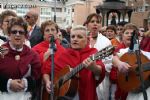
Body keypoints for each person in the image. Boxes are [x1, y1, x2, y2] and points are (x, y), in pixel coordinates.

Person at [42, 25, 105, 100]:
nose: (75, 39)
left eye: (79, 37)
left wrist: (94, 68)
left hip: (85, 94)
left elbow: (100, 71)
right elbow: (46, 70)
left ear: (87, 40)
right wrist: (47, 82)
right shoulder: (64, 54)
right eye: (73, 37)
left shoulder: (93, 53)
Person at [0, 17, 41, 100]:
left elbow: (37, 77)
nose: (17, 34)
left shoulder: (33, 55)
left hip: (26, 96)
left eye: (21, 32)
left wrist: (26, 83)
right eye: (14, 32)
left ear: (25, 35)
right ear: (9, 34)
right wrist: (8, 83)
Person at [111, 23, 150, 100]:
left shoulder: (146, 54)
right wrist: (119, 64)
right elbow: (114, 58)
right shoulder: (125, 51)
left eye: (132, 34)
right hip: (130, 92)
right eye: (127, 33)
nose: (130, 35)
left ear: (138, 37)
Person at [84, 13, 112, 100]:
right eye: (92, 21)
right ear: (87, 24)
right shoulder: (82, 39)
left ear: (100, 25)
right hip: (83, 79)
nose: (95, 24)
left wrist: (97, 68)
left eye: (98, 22)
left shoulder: (106, 41)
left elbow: (109, 64)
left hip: (100, 81)